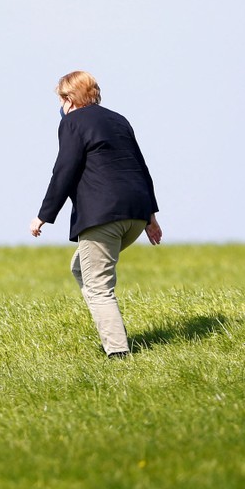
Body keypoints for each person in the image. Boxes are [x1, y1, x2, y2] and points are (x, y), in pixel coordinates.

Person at [29, 70, 162, 359]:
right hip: (135, 215)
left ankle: (118, 353)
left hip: (103, 216)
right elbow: (140, 165)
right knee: (81, 268)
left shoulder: (73, 123)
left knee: (99, 286)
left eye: (62, 98)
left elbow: (64, 170)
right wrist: (151, 216)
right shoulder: (118, 119)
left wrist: (44, 215)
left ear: (69, 98)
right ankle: (112, 328)